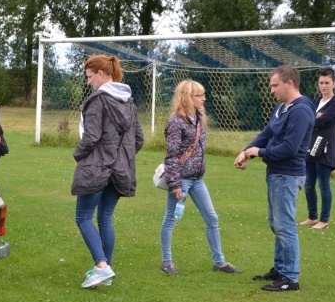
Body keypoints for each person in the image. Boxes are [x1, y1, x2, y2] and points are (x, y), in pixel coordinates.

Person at [234, 65, 314, 292]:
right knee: (276, 223)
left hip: (288, 175)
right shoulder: (282, 109)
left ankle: (290, 278)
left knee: (285, 225)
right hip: (276, 174)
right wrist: (246, 150)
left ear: (290, 83)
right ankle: (280, 269)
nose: (272, 90)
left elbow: (289, 148)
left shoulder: (301, 111)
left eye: (275, 85)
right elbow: (266, 134)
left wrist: (258, 153)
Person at [72, 55, 143, 289]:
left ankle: (102, 267)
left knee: (83, 217)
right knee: (105, 217)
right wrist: (121, 157)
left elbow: (91, 136)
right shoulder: (128, 101)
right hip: (121, 169)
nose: (89, 82)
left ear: (101, 75)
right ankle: (106, 271)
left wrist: (79, 154)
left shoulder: (98, 100)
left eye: (90, 77)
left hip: (97, 167)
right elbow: (138, 140)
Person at [159, 80, 242, 276]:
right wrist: (175, 183)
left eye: (203, 94)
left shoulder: (198, 118)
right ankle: (167, 261)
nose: (203, 98)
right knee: (171, 219)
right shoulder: (175, 122)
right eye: (199, 95)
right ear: (186, 97)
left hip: (197, 179)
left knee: (212, 217)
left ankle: (219, 262)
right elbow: (171, 155)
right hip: (182, 179)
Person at [300, 67, 335, 230]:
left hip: (325, 148)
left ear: (333, 84)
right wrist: (314, 117)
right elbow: (309, 119)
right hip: (311, 147)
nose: (324, 86)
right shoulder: (316, 102)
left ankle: (324, 220)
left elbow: (321, 122)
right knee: (308, 184)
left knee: (323, 184)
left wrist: (315, 118)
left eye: (327, 83)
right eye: (321, 83)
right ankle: (312, 216)